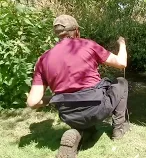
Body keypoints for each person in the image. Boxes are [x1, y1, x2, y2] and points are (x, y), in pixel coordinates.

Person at [26, 14, 130, 158]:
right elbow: (121, 63)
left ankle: (81, 131)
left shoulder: (43, 59)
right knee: (121, 83)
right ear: (76, 31)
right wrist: (122, 44)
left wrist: (56, 98)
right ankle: (119, 130)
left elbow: (32, 102)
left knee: (82, 107)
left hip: (68, 115)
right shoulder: (87, 45)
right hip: (96, 109)